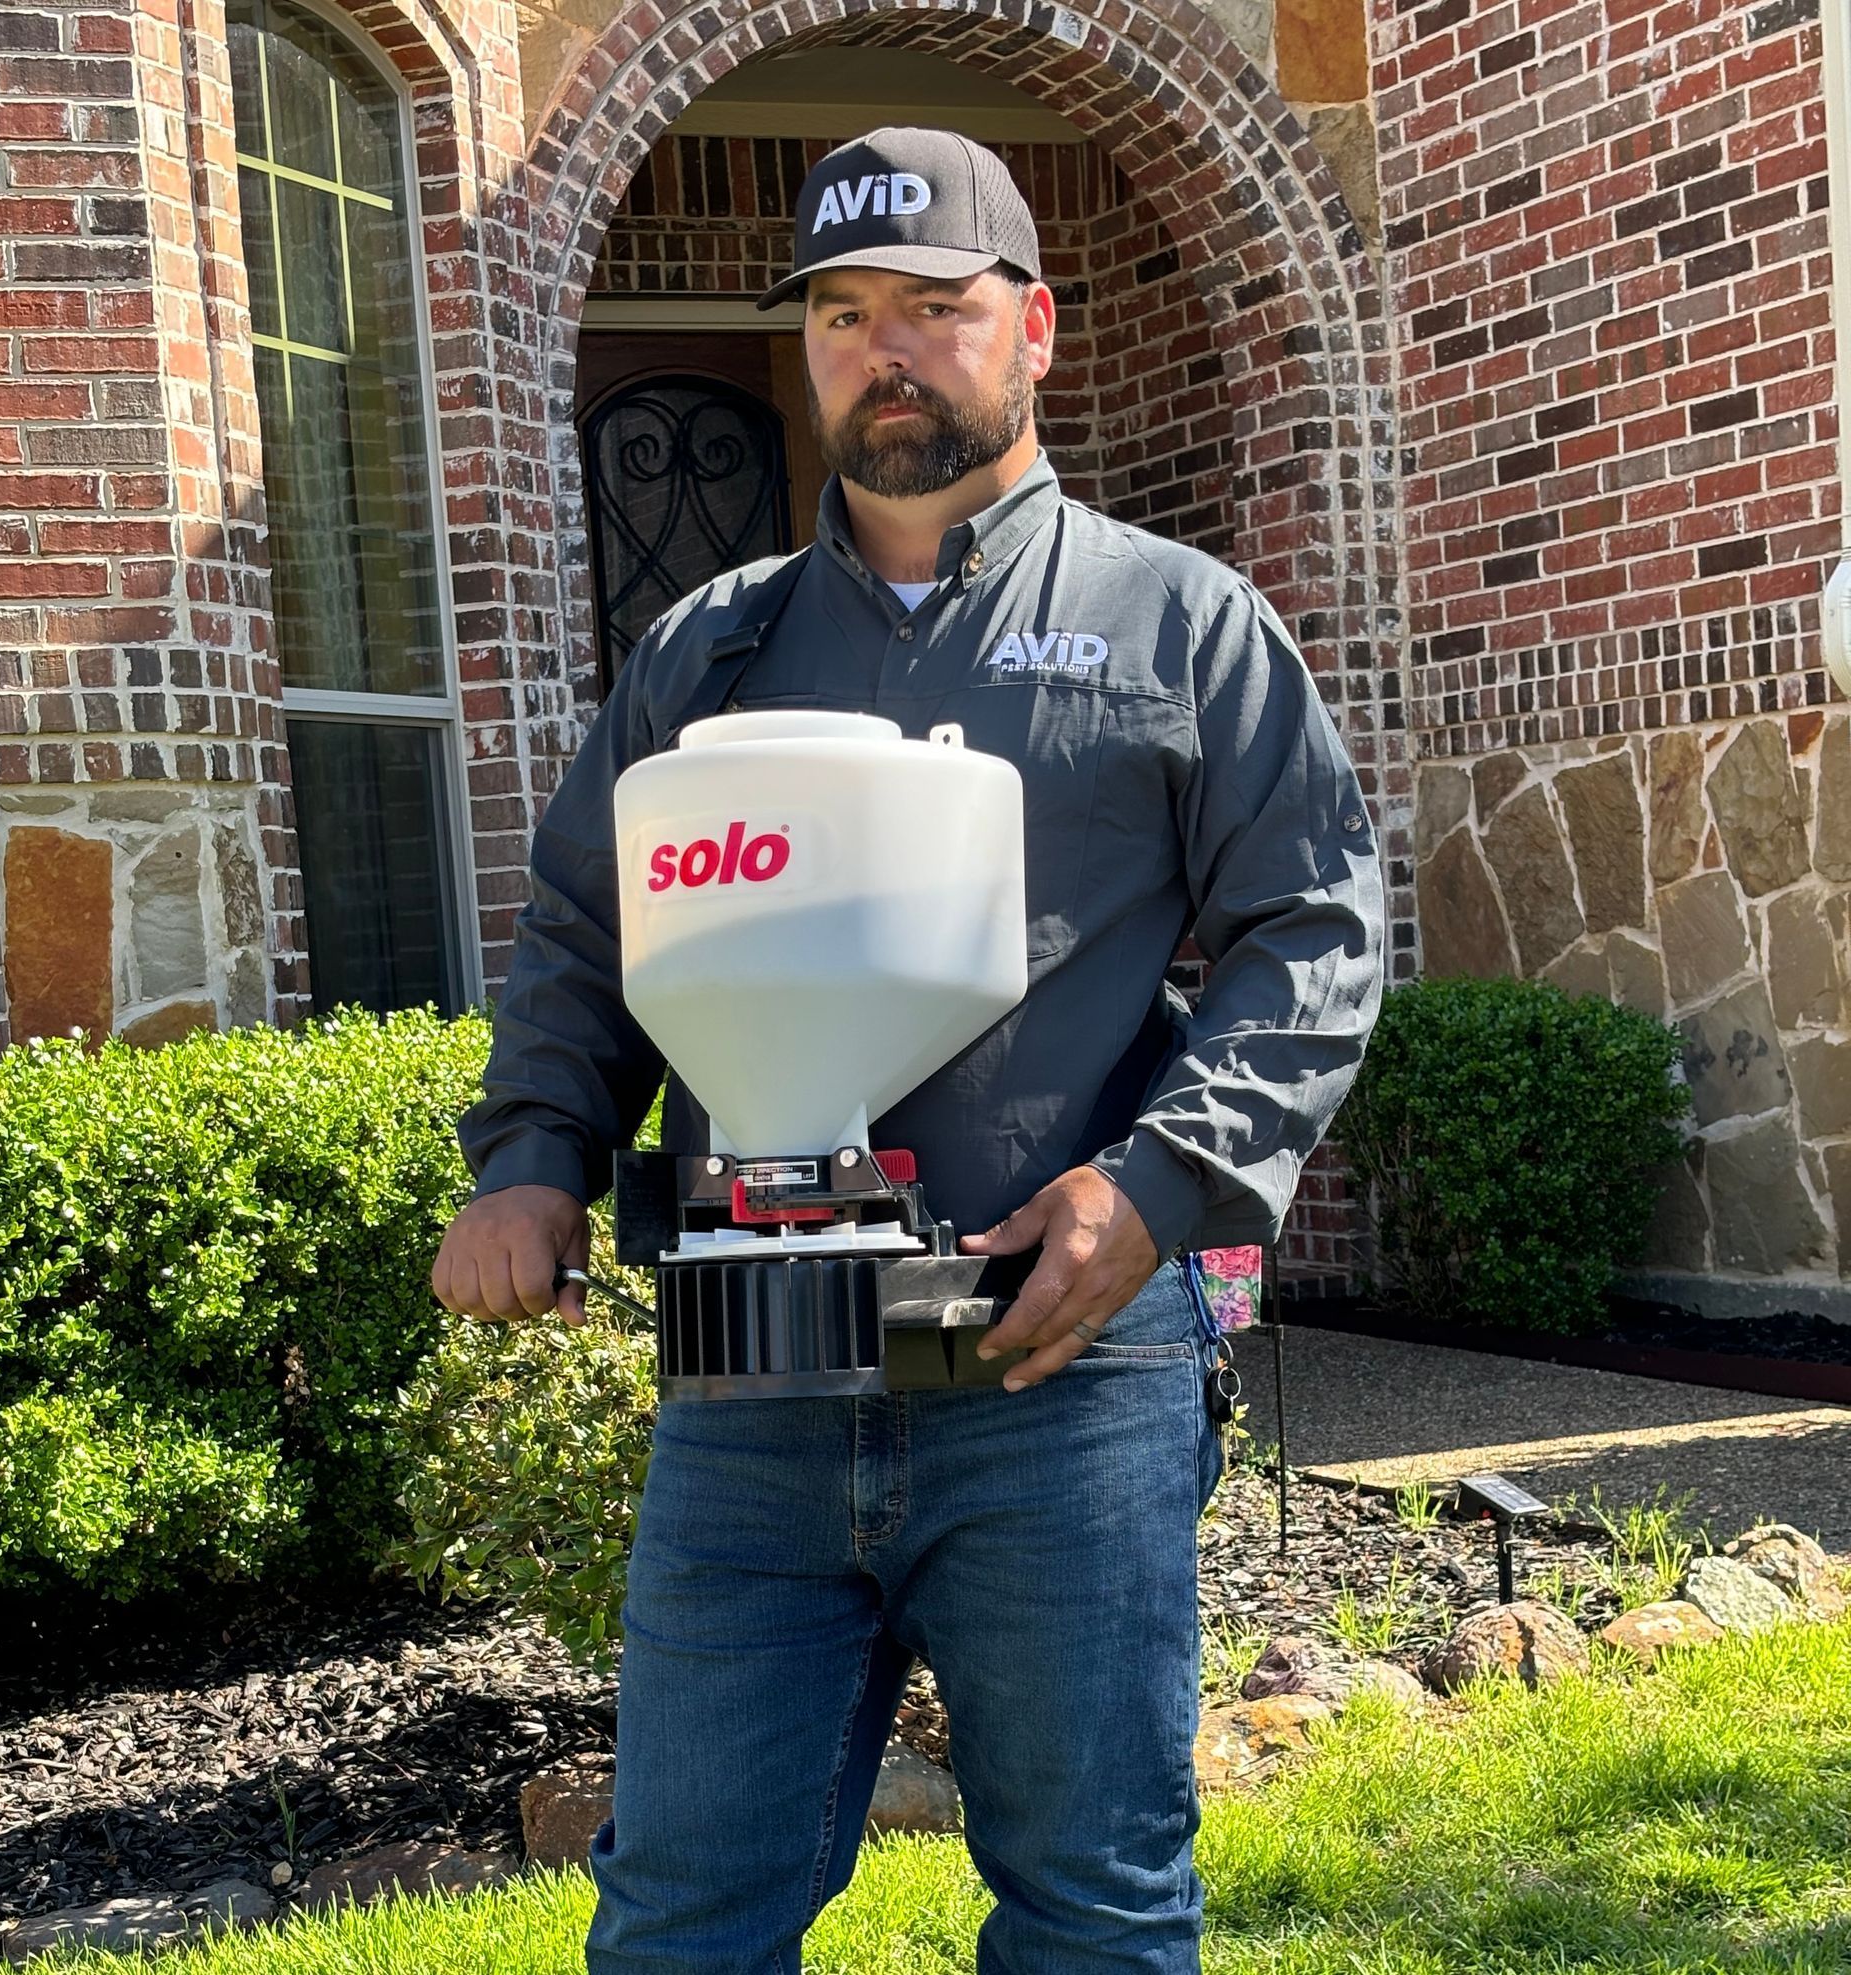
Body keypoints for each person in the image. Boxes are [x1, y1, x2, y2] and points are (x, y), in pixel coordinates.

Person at [432, 126, 1385, 1974]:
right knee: (684, 1916)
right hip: (751, 1388)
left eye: (937, 309)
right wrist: (534, 1159)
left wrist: (1160, 1185)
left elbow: (1319, 929)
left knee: (1092, 1910)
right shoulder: (709, 654)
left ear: (1033, 328)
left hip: (1059, 1372)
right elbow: (580, 934)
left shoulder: (1176, 625)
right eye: (846, 313)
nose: (888, 349)